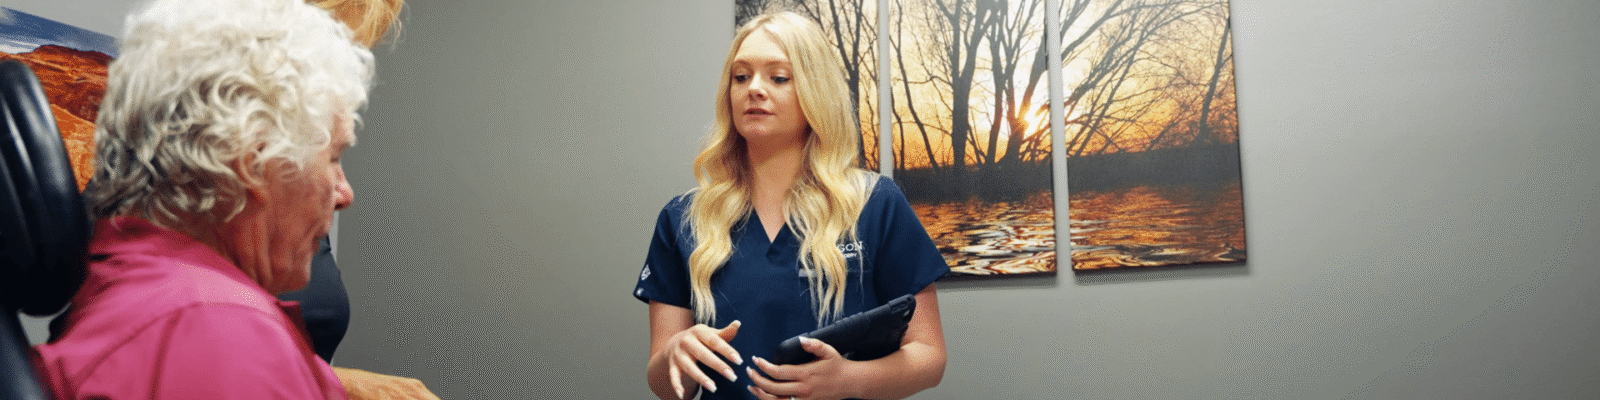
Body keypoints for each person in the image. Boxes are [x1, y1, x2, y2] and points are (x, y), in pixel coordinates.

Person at [32, 0, 373, 397]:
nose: (344, 193)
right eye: (333, 158)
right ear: (253, 159)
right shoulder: (221, 333)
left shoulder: (154, 305)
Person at [634, 11, 948, 400]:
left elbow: (930, 357)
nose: (754, 89)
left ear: (815, 91)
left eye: (778, 77)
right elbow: (666, 388)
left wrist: (848, 379)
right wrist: (674, 352)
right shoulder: (683, 220)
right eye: (741, 76)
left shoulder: (875, 203)